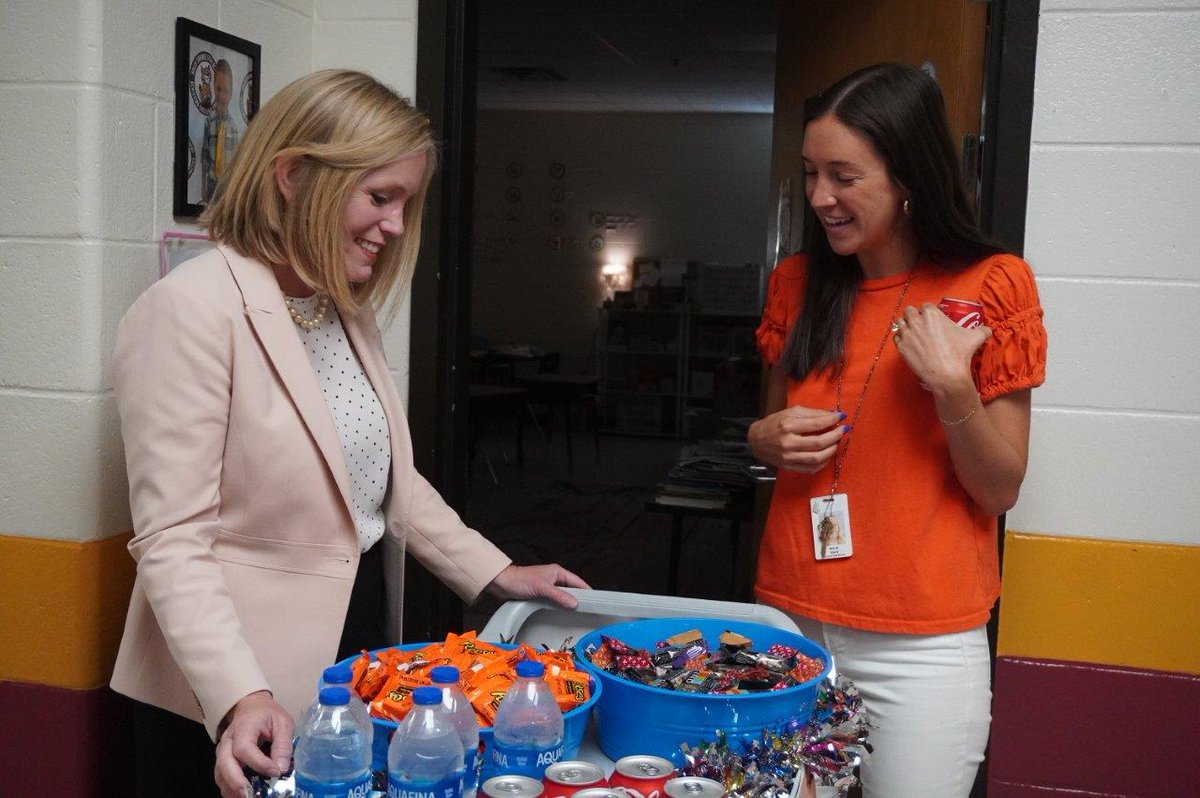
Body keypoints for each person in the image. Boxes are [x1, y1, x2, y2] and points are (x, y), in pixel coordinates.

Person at [109, 69, 589, 798]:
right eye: (380, 197)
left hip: (349, 641)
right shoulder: (189, 311)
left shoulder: (340, 307)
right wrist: (240, 693)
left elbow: (385, 480)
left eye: (406, 202)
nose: (396, 226)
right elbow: (174, 540)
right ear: (294, 176)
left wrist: (496, 574)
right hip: (224, 680)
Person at [749, 63, 1047, 797]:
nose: (821, 197)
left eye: (844, 176)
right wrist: (761, 440)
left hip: (922, 643)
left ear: (909, 176)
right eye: (812, 173)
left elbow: (1000, 487)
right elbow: (769, 425)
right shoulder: (797, 282)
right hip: (788, 619)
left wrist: (952, 390)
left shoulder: (991, 283)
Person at [200, 58, 241, 203]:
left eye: (226, 91)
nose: (222, 96)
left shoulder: (234, 128)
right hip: (211, 183)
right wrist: (202, 187)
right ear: (213, 87)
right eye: (218, 89)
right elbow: (204, 157)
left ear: (231, 94)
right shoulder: (209, 122)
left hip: (227, 186)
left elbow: (236, 164)